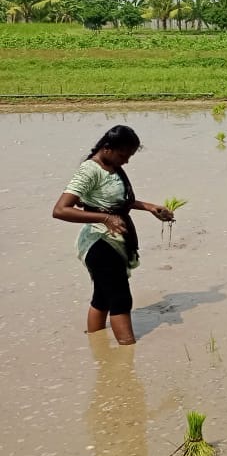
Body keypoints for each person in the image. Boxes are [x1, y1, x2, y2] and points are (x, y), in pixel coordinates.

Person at [51, 126, 175, 345]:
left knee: (102, 297)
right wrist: (105, 219)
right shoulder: (90, 170)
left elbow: (117, 202)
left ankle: (97, 349)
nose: (126, 161)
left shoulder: (112, 167)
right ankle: (127, 360)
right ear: (107, 148)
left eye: (129, 156)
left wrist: (149, 207)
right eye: (123, 155)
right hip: (99, 242)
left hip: (114, 240)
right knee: (120, 298)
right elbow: (60, 210)